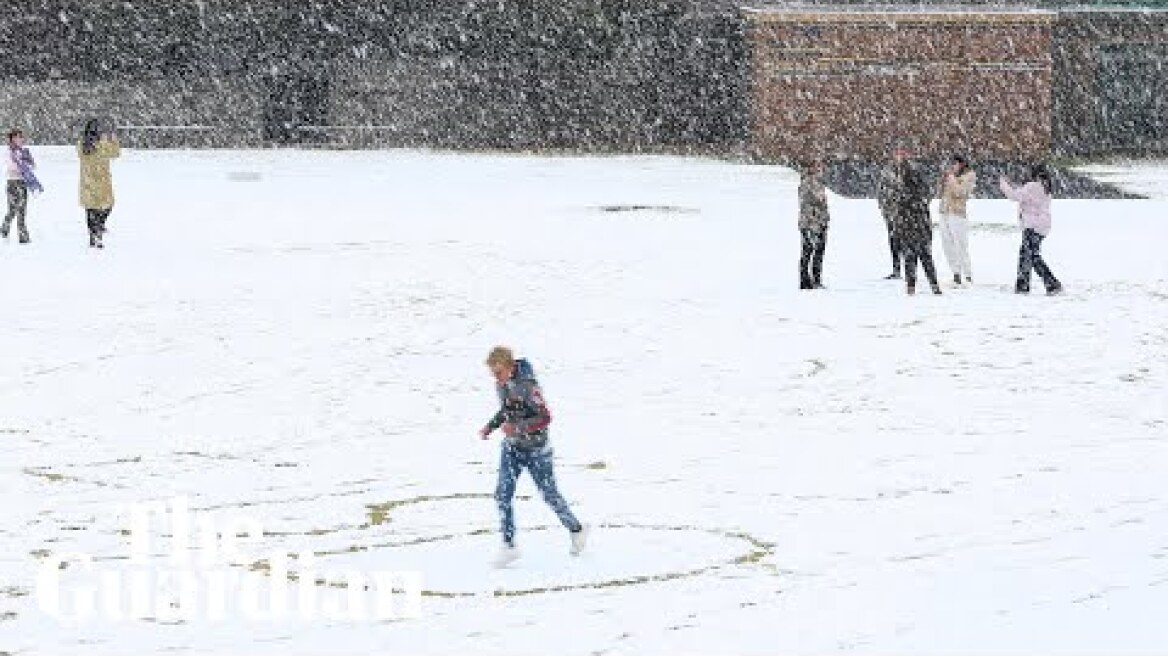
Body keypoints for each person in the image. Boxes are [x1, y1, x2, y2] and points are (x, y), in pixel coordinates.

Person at [479, 346, 588, 568]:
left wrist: (517, 429)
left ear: (510, 367)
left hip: (537, 450)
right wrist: (490, 427)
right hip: (512, 449)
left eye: (498, 373)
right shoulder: (501, 384)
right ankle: (509, 546)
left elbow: (545, 417)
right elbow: (507, 409)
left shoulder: (529, 385)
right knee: (502, 495)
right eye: (493, 374)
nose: (496, 378)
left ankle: (577, 529)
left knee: (549, 496)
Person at [1001, 165, 1063, 295]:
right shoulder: (1045, 187)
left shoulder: (1033, 186)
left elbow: (1014, 196)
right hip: (1041, 226)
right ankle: (1037, 284)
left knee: (1029, 257)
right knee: (1030, 255)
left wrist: (1004, 183)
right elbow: (1024, 195)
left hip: (1032, 226)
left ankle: (1046, 284)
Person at [893, 149, 942, 296]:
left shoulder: (905, 190)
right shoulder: (920, 189)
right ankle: (933, 285)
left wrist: (900, 224)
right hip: (920, 225)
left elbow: (900, 207)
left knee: (911, 257)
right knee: (925, 257)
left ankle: (912, 286)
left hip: (911, 225)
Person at [78, 119, 121, 249]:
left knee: (91, 209)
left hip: (88, 181)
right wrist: (113, 140)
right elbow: (115, 153)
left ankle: (93, 234)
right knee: (106, 206)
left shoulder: (81, 144)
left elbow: (82, 155)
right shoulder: (102, 144)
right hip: (101, 181)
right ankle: (98, 230)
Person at [936, 155, 976, 286]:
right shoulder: (951, 176)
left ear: (962, 164)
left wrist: (951, 178)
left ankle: (968, 275)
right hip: (944, 212)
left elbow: (960, 192)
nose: (953, 166)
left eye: (955, 164)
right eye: (952, 164)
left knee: (960, 245)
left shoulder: (969, 176)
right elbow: (940, 192)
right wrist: (942, 181)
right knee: (947, 244)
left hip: (957, 213)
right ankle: (956, 274)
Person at [4, 128, 43, 244]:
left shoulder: (25, 151)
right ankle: (4, 229)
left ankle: (23, 236)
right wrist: (22, 165)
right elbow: (11, 166)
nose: (19, 139)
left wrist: (25, 163)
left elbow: (33, 166)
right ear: (11, 139)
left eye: (20, 137)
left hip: (22, 183)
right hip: (12, 183)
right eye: (16, 137)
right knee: (12, 210)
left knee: (22, 210)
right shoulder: (8, 152)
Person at [797, 159, 830, 290]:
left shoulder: (818, 182)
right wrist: (815, 220)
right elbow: (808, 204)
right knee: (808, 251)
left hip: (820, 222)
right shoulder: (807, 183)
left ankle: (816, 279)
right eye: (817, 166)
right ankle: (805, 281)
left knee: (818, 252)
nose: (820, 168)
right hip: (810, 223)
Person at [878, 149, 904, 279]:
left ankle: (909, 268)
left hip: (905, 213)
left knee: (906, 241)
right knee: (894, 241)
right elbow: (881, 191)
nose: (899, 157)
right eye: (897, 154)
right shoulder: (887, 171)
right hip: (891, 213)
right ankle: (896, 268)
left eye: (901, 154)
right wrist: (884, 209)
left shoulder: (908, 171)